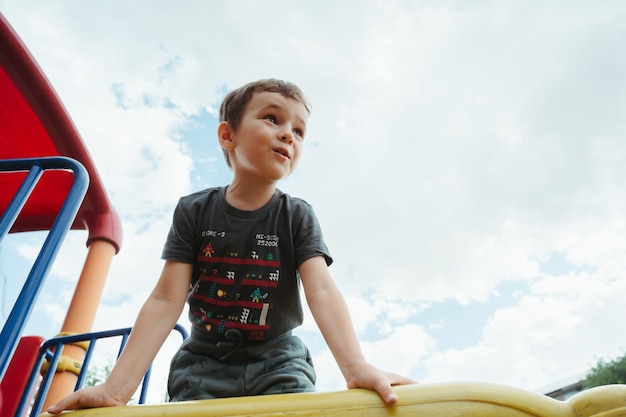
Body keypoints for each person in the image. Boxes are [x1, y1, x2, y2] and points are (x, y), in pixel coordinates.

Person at [47, 79, 414, 413]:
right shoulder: (194, 210)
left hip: (278, 358)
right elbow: (165, 300)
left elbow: (320, 289)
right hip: (203, 360)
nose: (289, 134)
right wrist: (116, 390)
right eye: (273, 119)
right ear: (228, 136)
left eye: (299, 131)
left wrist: (356, 368)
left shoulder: (296, 215)